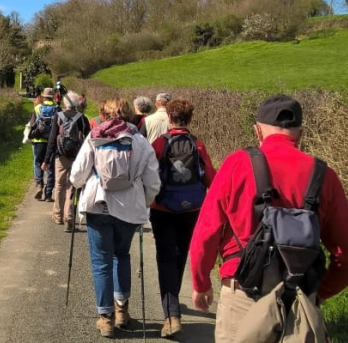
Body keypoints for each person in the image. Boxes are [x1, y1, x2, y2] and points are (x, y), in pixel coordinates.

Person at [189, 94, 348, 343]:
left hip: (243, 296)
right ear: (300, 134)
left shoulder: (237, 164)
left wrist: (201, 282)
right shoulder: (324, 175)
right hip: (299, 301)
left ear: (257, 131)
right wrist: (318, 294)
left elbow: (207, 231)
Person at [70, 98, 161, 338]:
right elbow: (153, 182)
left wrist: (81, 184)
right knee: (122, 255)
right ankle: (122, 311)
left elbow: (76, 175)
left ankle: (106, 318)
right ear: (130, 115)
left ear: (104, 114)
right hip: (128, 209)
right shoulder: (140, 142)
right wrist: (145, 202)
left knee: (101, 263)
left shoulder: (95, 137)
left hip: (99, 206)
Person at [150, 98, 217, 338]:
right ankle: (173, 308)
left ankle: (172, 315)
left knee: (165, 259)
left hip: (163, 209)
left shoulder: (159, 143)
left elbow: (148, 176)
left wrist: (146, 200)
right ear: (189, 119)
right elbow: (211, 178)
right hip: (191, 210)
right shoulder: (198, 145)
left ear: (169, 118)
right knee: (179, 257)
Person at [43, 90, 91, 232]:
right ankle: (69, 218)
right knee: (72, 186)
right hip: (77, 156)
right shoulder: (82, 118)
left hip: (60, 156)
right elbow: (88, 140)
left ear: (64, 103)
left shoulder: (58, 116)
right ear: (76, 103)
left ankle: (57, 215)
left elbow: (52, 140)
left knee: (59, 185)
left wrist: (46, 159)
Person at [28, 88, 57, 202]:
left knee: (37, 163)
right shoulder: (57, 109)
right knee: (50, 166)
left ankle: (39, 185)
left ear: (43, 97)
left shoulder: (37, 108)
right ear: (53, 97)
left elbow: (32, 124)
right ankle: (49, 194)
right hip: (51, 142)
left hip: (39, 140)